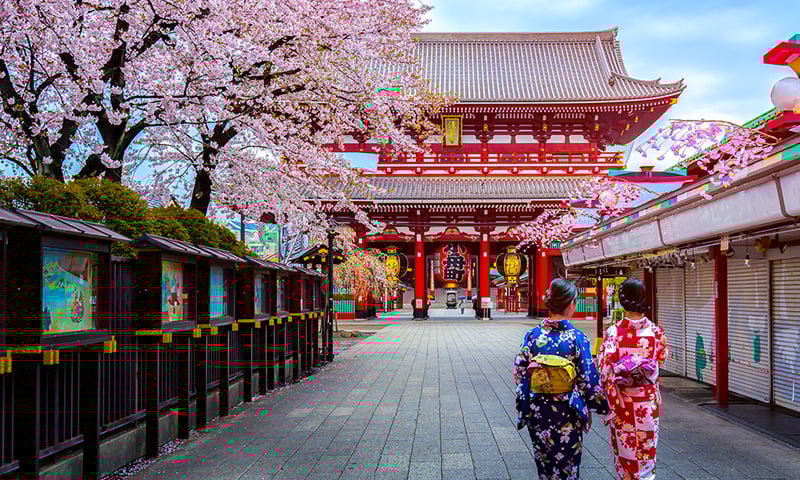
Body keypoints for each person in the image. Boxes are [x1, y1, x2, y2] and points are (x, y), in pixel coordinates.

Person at [513, 278, 609, 479]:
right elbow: (588, 379)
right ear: (571, 304)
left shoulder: (532, 336)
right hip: (567, 412)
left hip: (538, 409)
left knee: (545, 465)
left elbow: (519, 371)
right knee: (568, 466)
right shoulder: (577, 338)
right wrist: (602, 407)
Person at [597, 278, 668, 480]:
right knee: (646, 452)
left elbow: (604, 371)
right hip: (647, 402)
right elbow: (660, 361)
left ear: (621, 300)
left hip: (623, 403)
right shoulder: (656, 333)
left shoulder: (614, 333)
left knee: (625, 454)